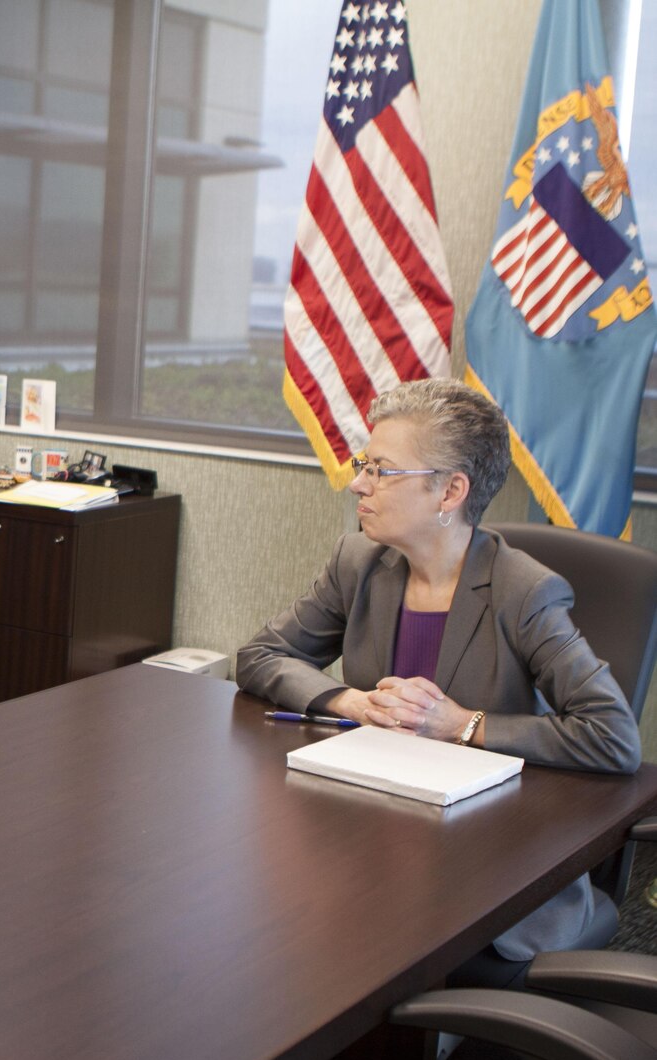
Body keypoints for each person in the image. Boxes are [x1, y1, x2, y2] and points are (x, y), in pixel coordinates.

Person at [237, 378, 639, 981]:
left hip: (485, 863)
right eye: (363, 464)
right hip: (367, 835)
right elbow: (262, 654)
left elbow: (613, 737)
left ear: (451, 490)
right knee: (287, 935)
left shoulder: (522, 591)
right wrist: (349, 700)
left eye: (382, 470)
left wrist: (463, 724)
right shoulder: (360, 563)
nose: (359, 484)